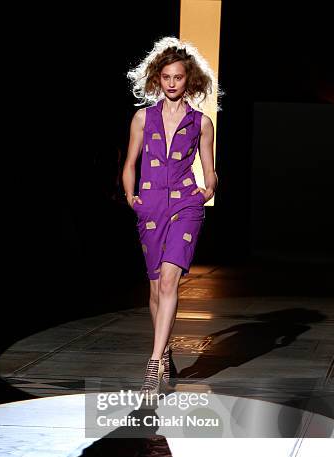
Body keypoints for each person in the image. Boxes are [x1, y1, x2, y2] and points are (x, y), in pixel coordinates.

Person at [122, 37, 221, 396]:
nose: (172, 83)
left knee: (169, 282)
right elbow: (130, 163)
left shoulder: (201, 123)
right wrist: (132, 196)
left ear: (188, 79)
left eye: (178, 77)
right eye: (166, 76)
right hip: (150, 206)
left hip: (185, 206)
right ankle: (164, 354)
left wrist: (207, 189)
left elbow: (209, 169)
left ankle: (152, 365)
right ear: (157, 79)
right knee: (154, 288)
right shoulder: (142, 118)